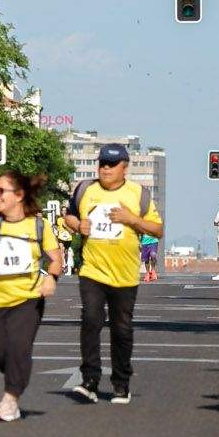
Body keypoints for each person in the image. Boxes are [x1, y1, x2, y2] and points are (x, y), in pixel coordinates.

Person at [60, 143, 161, 405]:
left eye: (111, 164)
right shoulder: (85, 189)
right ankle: (90, 380)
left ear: (124, 168)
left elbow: (157, 229)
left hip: (125, 273)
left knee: (121, 329)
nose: (105, 168)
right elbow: (68, 217)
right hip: (92, 269)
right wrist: (78, 225)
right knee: (91, 320)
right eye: (102, 163)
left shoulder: (138, 194)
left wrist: (132, 220)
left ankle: (121, 382)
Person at [0, 168, 61, 422]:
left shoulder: (39, 226)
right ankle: (19, 370)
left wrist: (51, 278)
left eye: (0, 191)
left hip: (27, 299)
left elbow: (55, 258)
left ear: (18, 195)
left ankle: (11, 399)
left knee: (19, 346)